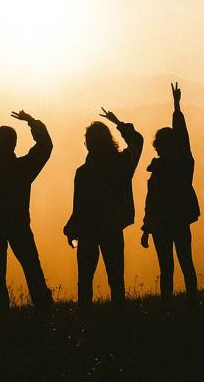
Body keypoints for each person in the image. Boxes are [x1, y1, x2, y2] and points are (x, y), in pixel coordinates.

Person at [0, 110, 54, 312]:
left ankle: (0, 307)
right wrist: (32, 122)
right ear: (14, 143)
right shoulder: (22, 168)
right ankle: (43, 304)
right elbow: (45, 146)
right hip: (19, 224)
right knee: (31, 265)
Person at [63, 107, 143, 308]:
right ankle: (119, 318)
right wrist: (119, 123)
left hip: (88, 231)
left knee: (85, 279)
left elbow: (79, 206)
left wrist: (71, 229)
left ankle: (84, 318)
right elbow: (137, 141)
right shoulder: (123, 163)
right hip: (113, 227)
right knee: (116, 278)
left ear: (88, 144)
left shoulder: (83, 172)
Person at [140, 82, 200, 304]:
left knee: (167, 267)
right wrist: (176, 107)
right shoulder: (183, 164)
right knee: (185, 263)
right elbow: (183, 137)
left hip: (161, 225)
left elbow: (151, 203)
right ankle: (192, 303)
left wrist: (147, 229)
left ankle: (167, 306)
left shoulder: (167, 168)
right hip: (177, 221)